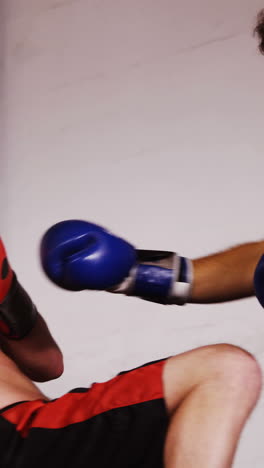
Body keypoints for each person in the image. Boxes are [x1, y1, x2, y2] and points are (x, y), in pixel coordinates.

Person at [0, 218, 264, 468]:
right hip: (28, 434)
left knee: (225, 370)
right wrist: (132, 273)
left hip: (34, 436)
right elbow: (46, 364)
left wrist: (129, 273)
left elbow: (47, 363)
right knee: (225, 369)